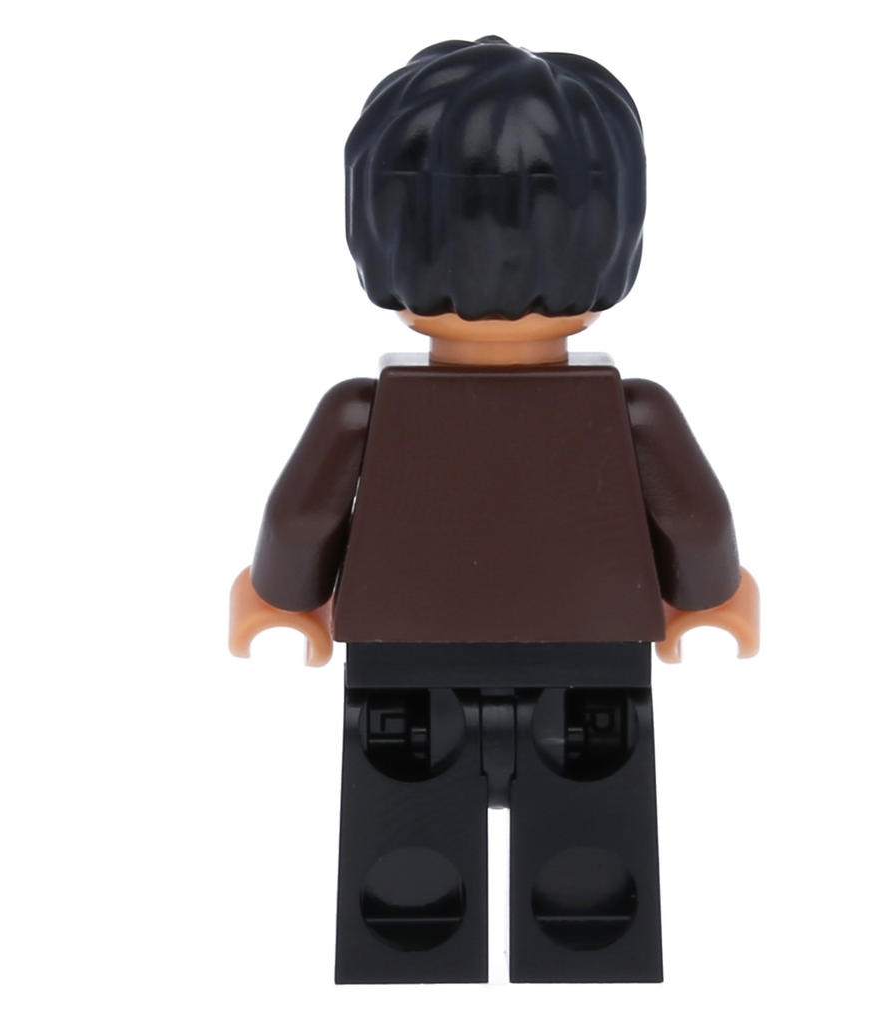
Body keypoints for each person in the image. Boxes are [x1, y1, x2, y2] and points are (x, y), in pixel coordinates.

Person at [229, 36, 758, 984]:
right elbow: (698, 523)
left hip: (407, 657)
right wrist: (711, 597)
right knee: (591, 841)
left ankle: (415, 945)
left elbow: (301, 521)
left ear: (378, 232)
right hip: (592, 654)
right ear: (614, 236)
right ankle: (581, 944)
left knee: (406, 838)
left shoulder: (365, 410)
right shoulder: (631, 409)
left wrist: (280, 597)